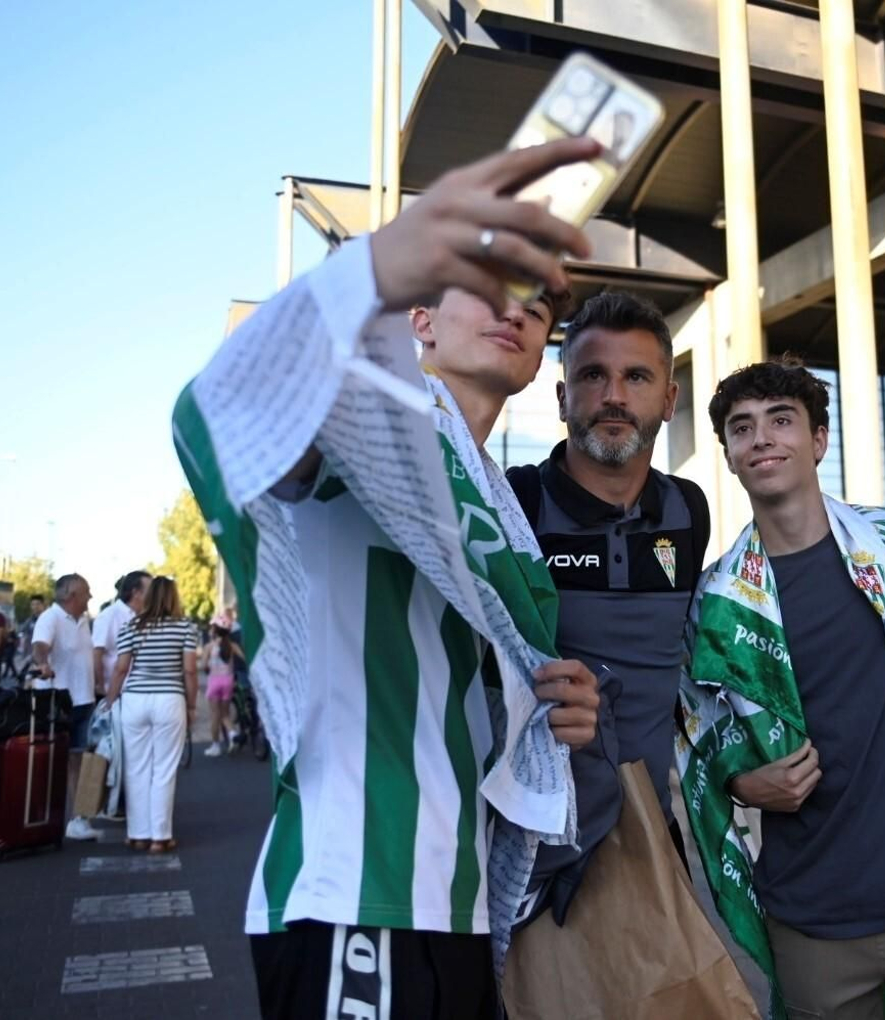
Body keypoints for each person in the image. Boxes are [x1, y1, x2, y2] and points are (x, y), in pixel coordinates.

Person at [173, 138, 606, 1020]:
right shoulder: (371, 414)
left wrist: (560, 707)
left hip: (465, 901)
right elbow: (219, 413)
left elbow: (488, 693)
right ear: (418, 318)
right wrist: (369, 267)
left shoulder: (505, 507)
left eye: (537, 302)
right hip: (355, 892)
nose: (516, 309)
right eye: (484, 284)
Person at [678, 358, 885, 1020]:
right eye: (743, 429)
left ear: (819, 440)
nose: (763, 439)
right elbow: (693, 736)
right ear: (729, 454)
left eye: (782, 421)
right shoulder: (718, 601)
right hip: (809, 916)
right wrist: (741, 785)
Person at [506, 290, 710, 875]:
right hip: (532, 844)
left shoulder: (687, 510)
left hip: (652, 841)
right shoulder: (516, 506)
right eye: (593, 375)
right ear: (564, 396)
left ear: (670, 400)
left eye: (637, 377)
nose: (614, 396)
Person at [106, 577, 198, 853]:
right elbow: (190, 671)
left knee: (136, 769)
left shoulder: (131, 625)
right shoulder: (185, 627)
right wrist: (192, 706)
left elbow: (121, 668)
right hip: (169, 698)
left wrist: (110, 701)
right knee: (164, 771)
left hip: (134, 700)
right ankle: (160, 837)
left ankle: (137, 834)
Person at [31, 573, 99, 842]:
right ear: (71, 596)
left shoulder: (83, 620)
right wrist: (42, 663)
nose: (90, 597)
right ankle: (41, 819)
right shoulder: (51, 617)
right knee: (57, 761)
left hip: (84, 700)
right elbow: (39, 646)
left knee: (79, 760)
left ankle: (79, 819)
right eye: (86, 592)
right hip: (59, 700)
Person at [93, 572, 151, 702]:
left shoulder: (146, 617)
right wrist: (101, 687)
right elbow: (97, 653)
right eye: (151, 590)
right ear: (136, 592)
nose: (155, 595)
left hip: (141, 693)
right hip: (115, 694)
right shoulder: (109, 616)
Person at [201, 624, 239, 757]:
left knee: (215, 716)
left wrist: (208, 668)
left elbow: (204, 665)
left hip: (214, 681)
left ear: (215, 633)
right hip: (228, 681)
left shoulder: (209, 647)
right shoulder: (231, 646)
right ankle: (232, 734)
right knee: (225, 714)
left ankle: (215, 746)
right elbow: (243, 658)